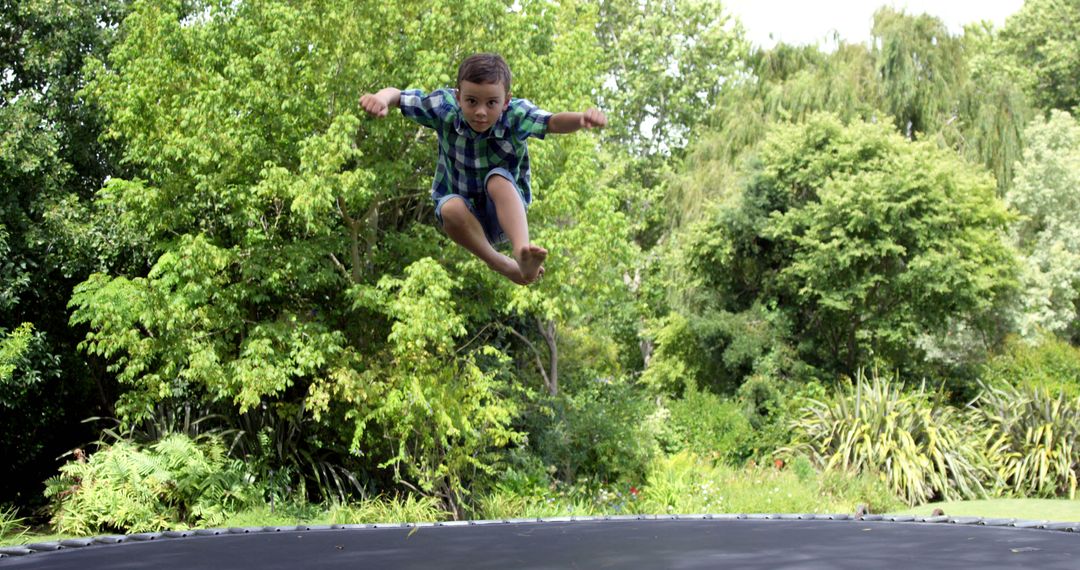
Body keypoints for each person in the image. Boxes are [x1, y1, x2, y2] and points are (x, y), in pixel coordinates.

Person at [359, 53, 607, 285]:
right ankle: (502, 264)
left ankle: (522, 252)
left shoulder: (515, 114)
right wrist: (382, 99)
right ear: (458, 97)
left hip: (504, 215)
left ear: (506, 101)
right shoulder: (443, 108)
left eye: (491, 103)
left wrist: (580, 119)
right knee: (448, 206)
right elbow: (398, 95)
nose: (480, 111)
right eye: (471, 101)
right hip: (465, 221)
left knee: (497, 178)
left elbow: (551, 121)